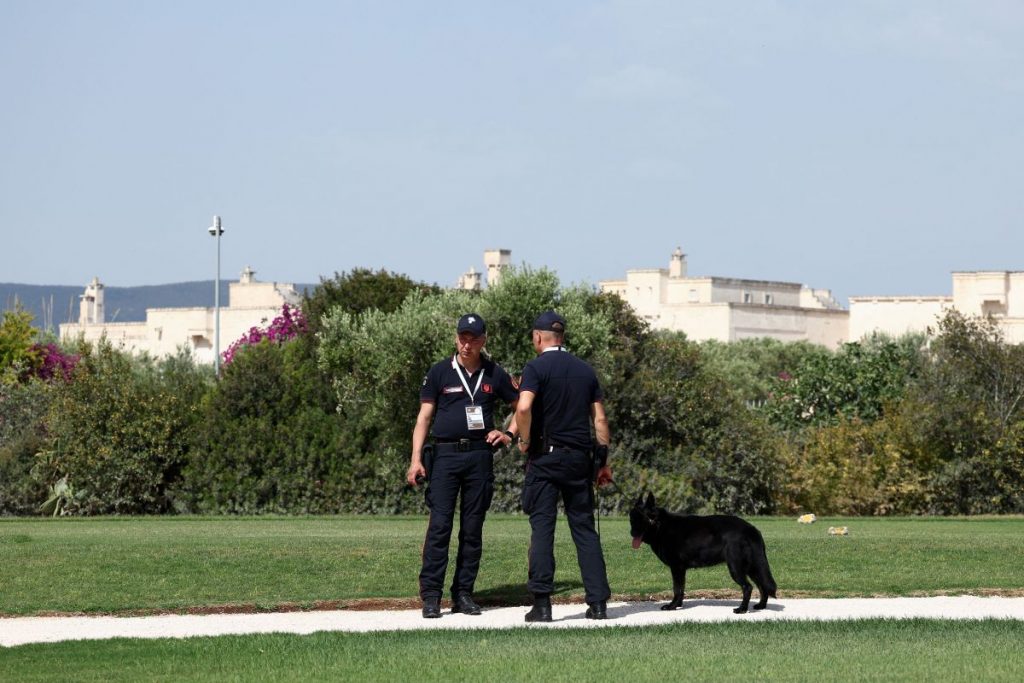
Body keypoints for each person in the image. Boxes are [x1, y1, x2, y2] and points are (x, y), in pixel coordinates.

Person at [407, 313, 519, 619]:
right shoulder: (440, 372)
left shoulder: (495, 374)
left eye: (472, 339)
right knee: (440, 526)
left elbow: (523, 406)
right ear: (456, 338)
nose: (466, 344)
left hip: (479, 457)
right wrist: (416, 459)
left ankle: (463, 594)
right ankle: (431, 596)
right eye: (462, 338)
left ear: (483, 341)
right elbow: (424, 418)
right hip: (444, 456)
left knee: (472, 529)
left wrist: (509, 434)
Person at [516, 310, 613, 622]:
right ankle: (598, 603)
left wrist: (525, 440)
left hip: (545, 457)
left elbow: (524, 406)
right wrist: (603, 462)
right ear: (562, 337)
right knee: (584, 529)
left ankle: (543, 605)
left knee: (543, 529)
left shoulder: (535, 367)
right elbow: (599, 419)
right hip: (579, 460)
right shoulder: (585, 371)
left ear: (538, 337)